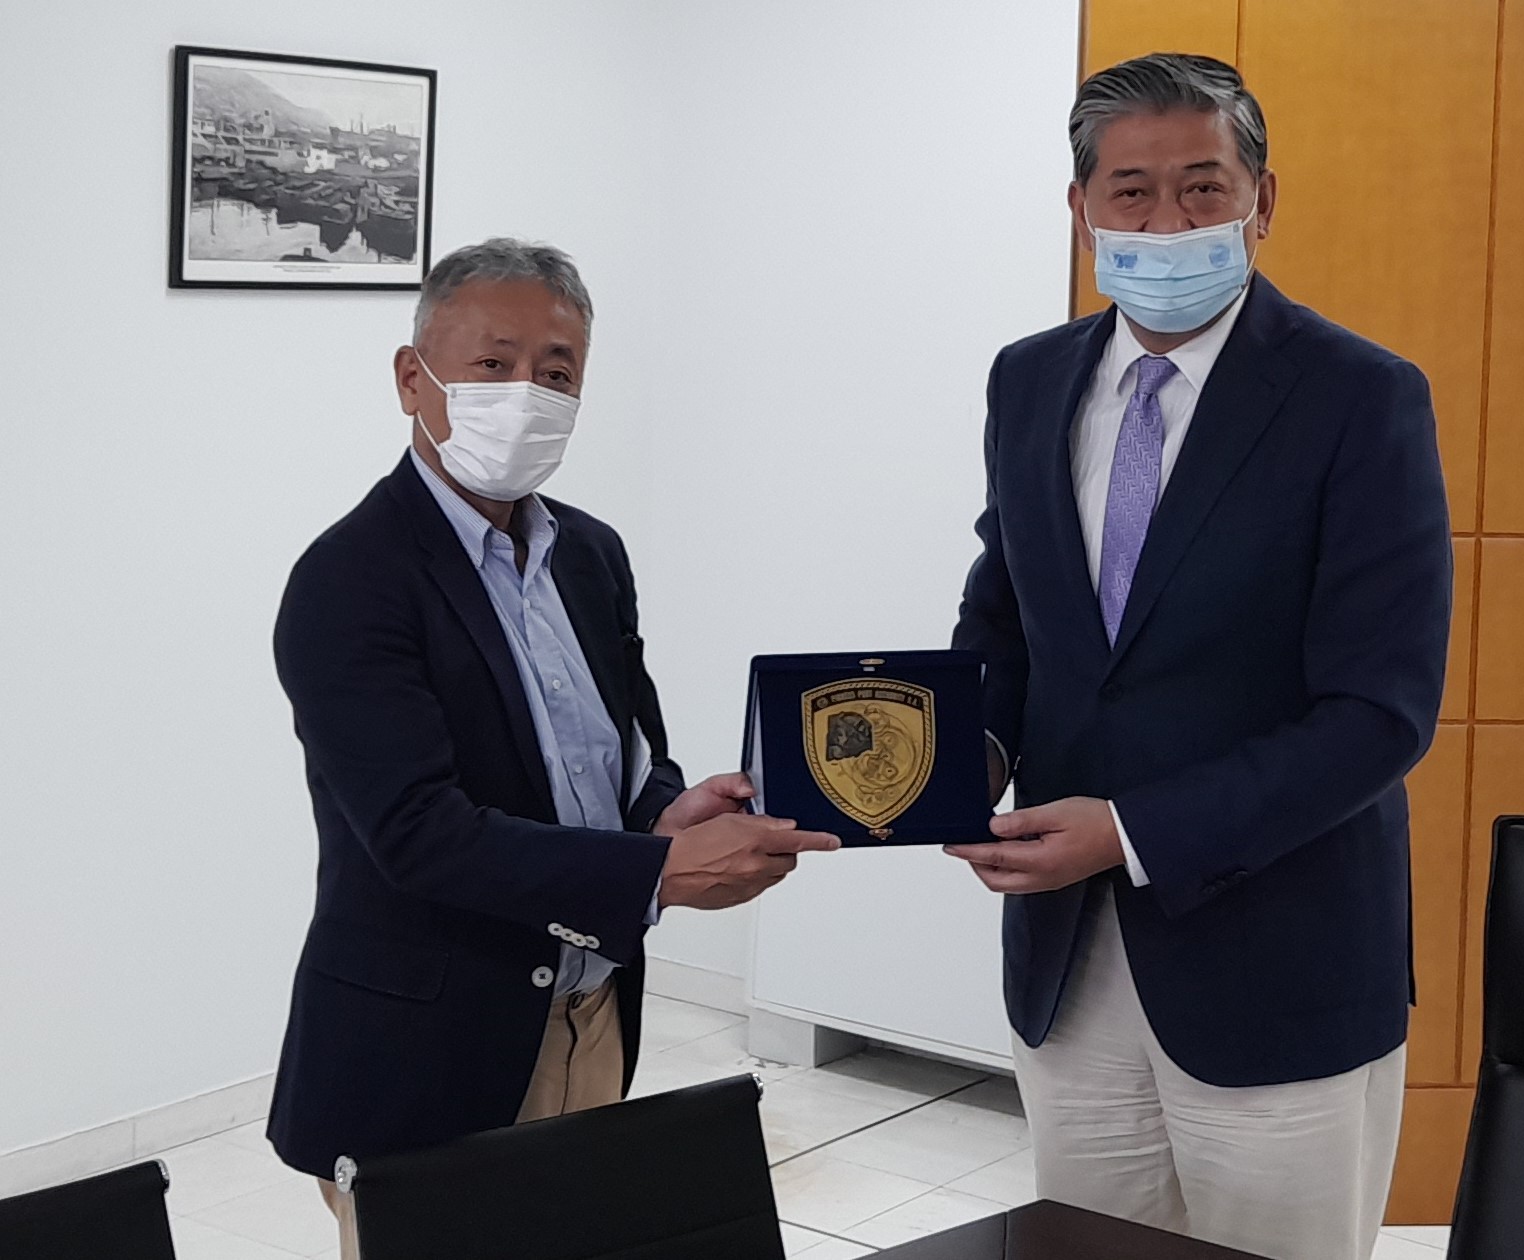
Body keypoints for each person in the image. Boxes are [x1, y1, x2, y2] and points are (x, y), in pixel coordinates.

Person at [948, 54, 1452, 1260]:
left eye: (1201, 187)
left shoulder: (1359, 396)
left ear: (1259, 201)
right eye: (1129, 191)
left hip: (1280, 966)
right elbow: (1004, 622)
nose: (1166, 223)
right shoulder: (1028, 381)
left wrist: (1130, 831)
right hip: (1068, 966)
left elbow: (1379, 712)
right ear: (1081, 209)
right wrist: (959, 756)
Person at [267, 238, 838, 1256]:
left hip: (589, 1013)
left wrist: (664, 814)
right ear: (412, 379)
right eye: (493, 364)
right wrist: (654, 874)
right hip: (426, 1048)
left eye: (557, 372)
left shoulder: (591, 554)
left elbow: (622, 751)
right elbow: (418, 834)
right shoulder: (349, 580)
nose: (526, 393)